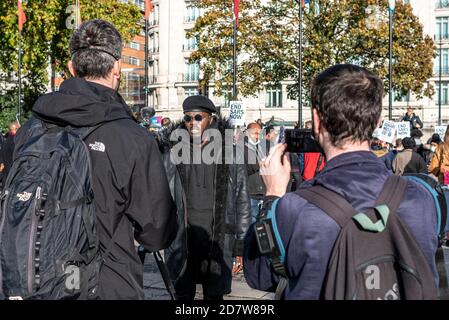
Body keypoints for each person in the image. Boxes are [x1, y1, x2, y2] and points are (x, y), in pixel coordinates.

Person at [243, 64, 438, 299]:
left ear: (316, 121)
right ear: (377, 121)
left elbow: (259, 275)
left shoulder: (294, 208)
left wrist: (272, 195)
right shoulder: (422, 198)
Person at [14, 19, 177, 299]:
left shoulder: (31, 129)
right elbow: (157, 231)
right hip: (107, 283)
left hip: (36, 280)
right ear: (117, 68)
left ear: (71, 68)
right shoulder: (132, 137)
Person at [159, 95, 251, 300]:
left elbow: (242, 199)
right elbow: (161, 197)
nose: (193, 122)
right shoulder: (171, 153)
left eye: (198, 117)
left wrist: (241, 243)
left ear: (211, 118)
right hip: (182, 238)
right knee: (182, 295)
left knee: (214, 296)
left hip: (217, 239)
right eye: (188, 118)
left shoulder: (230, 153)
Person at [244, 122, 266, 222]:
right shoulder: (242, 148)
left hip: (262, 192)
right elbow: (243, 170)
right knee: (252, 220)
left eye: (259, 133)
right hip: (250, 191)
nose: (257, 136)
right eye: (255, 133)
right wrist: (258, 164)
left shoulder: (262, 147)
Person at [0, 121, 20, 186]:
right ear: (16, 129)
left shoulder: (5, 141)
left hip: (5, 174)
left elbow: (2, 158)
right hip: (13, 173)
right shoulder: (16, 141)